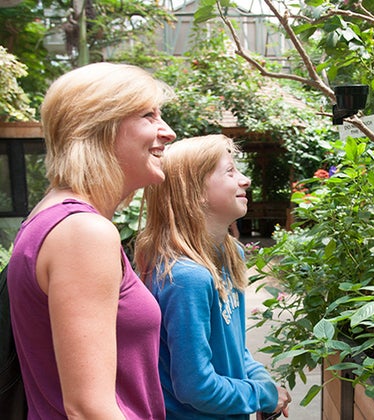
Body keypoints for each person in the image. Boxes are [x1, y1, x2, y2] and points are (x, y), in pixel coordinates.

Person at [7, 62, 177, 419]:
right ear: (98, 126)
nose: (168, 132)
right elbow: (89, 409)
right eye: (149, 115)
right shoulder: (82, 232)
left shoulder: (51, 217)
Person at [134, 135, 291, 420]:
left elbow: (234, 347)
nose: (245, 181)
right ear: (194, 191)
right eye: (230, 171)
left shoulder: (230, 254)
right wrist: (262, 396)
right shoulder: (186, 277)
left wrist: (261, 379)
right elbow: (196, 387)